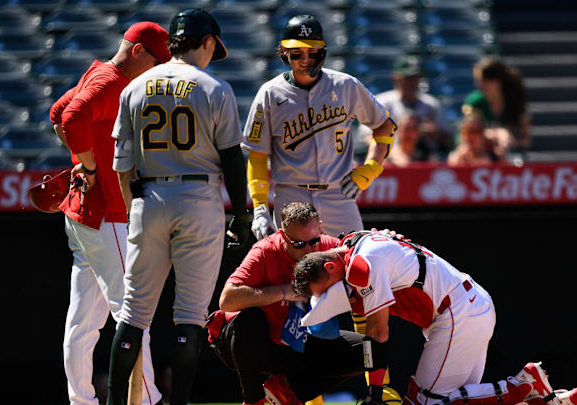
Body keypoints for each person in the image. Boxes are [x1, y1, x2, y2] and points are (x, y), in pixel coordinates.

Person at [106, 9, 250, 405]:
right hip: (199, 198)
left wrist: (136, 209)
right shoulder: (214, 87)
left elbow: (122, 166)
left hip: (148, 195)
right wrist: (242, 214)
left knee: (134, 313)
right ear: (206, 42)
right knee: (189, 314)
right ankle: (179, 403)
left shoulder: (134, 88)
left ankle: (115, 402)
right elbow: (233, 160)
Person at [293, 230, 577, 405]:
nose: (332, 294)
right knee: (452, 400)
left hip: (457, 314)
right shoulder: (356, 240)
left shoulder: (360, 267)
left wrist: (373, 391)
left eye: (325, 289)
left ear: (331, 269)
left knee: (426, 401)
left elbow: (378, 332)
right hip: (468, 304)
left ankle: (523, 384)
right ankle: (563, 401)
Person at [48, 21, 170, 405]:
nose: (157, 69)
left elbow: (57, 113)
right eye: (156, 60)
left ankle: (81, 400)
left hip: (84, 215)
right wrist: (87, 164)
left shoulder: (99, 72)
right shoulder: (112, 81)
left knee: (82, 325)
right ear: (137, 52)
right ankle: (147, 400)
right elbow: (68, 119)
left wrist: (84, 160)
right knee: (134, 318)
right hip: (107, 216)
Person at [243, 14, 398, 240]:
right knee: (295, 270)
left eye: (312, 52)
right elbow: (257, 156)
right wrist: (259, 208)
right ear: (284, 52)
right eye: (297, 53)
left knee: (352, 264)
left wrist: (371, 169)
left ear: (322, 52)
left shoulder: (345, 85)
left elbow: (385, 126)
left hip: (339, 192)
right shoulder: (270, 93)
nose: (305, 59)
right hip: (291, 195)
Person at [213, 201, 367, 405]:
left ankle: (285, 391)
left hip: (298, 344)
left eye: (314, 241)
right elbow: (227, 301)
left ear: (320, 228)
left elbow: (367, 261)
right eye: (299, 245)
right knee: (249, 319)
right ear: (284, 237)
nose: (309, 250)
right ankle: (253, 399)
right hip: (254, 345)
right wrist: (286, 291)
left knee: (368, 350)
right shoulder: (265, 250)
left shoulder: (330, 247)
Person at [376, 55, 453, 160]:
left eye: (415, 78)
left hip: (425, 158)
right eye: (407, 78)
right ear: (396, 78)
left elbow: (448, 138)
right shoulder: (382, 103)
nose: (412, 82)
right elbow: (366, 136)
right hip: (387, 158)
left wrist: (434, 132)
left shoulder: (431, 104)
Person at [462, 57, 529, 155]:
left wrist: (510, 143)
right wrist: (498, 134)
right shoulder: (474, 102)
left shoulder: (515, 101)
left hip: (511, 157)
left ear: (496, 81)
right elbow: (468, 132)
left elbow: (526, 140)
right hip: (480, 155)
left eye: (482, 80)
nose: (478, 85)